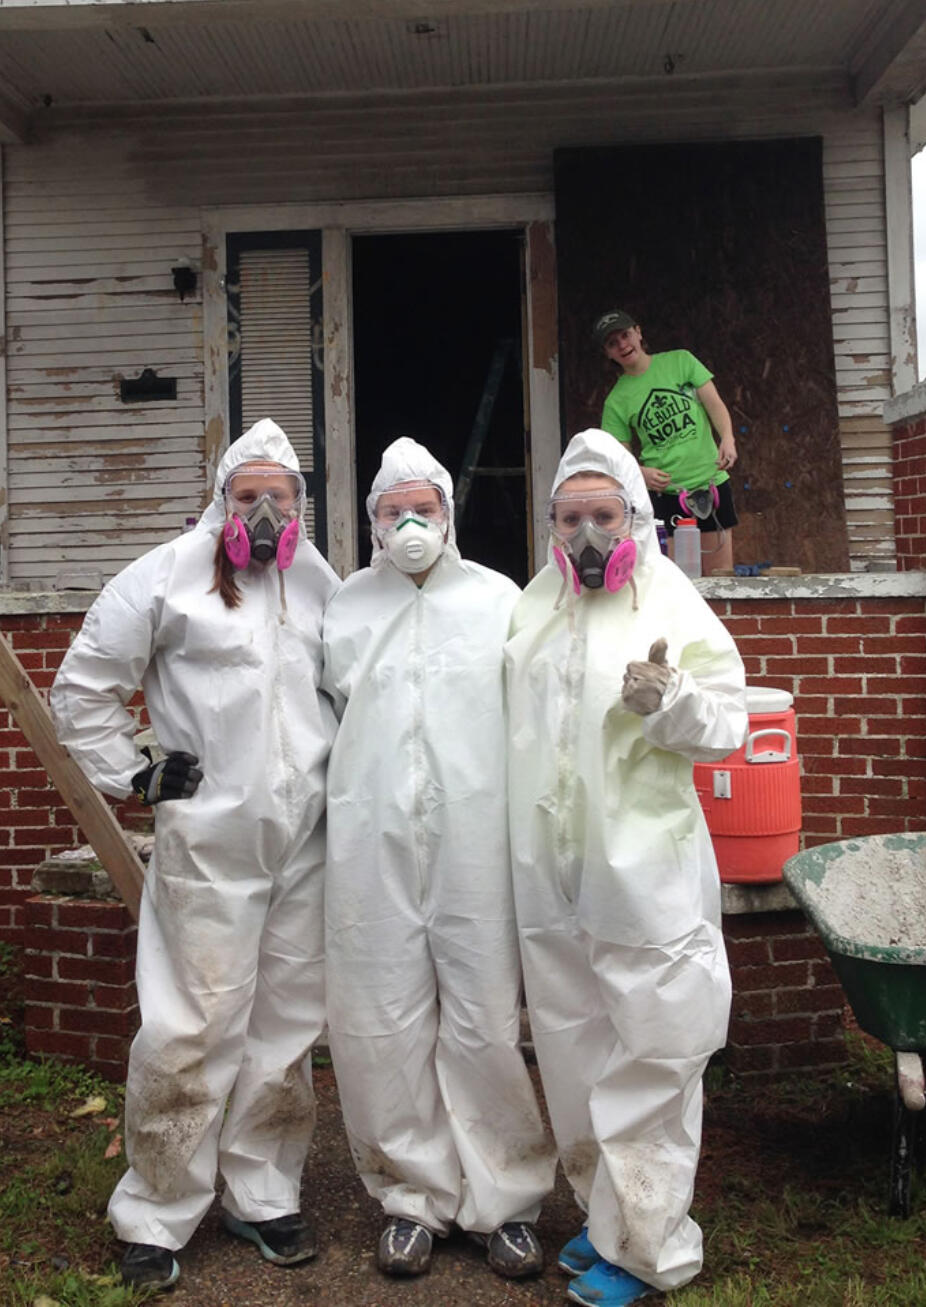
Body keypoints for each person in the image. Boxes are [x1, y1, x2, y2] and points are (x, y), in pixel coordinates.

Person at [49, 419, 339, 1295]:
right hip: (210, 839)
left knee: (286, 1026)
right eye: (247, 496)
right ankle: (157, 1208)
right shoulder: (166, 577)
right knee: (192, 1022)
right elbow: (84, 684)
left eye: (278, 497)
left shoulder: (315, 581)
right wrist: (135, 771)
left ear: (299, 506)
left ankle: (262, 1190)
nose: (262, 510)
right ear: (221, 502)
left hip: (306, 840)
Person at [505, 430, 746, 1306]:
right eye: (569, 517)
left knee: (654, 1051)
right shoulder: (535, 606)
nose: (586, 534)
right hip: (554, 874)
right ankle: (604, 1216)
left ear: (635, 518)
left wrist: (673, 701)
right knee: (573, 1050)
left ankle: (650, 1245)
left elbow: (731, 721)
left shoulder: (670, 601)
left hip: (645, 871)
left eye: (604, 515)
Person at [321, 438, 556, 1281]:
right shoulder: (343, 607)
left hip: (476, 842)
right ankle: (411, 1198)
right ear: (372, 522)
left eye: (423, 508)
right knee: (380, 1022)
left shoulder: (499, 601)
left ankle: (507, 1199)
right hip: (368, 840)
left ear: (448, 515)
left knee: (484, 1019)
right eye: (392, 512)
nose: (408, 523)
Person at [594, 310, 738, 576]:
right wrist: (642, 473)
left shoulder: (680, 361)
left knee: (721, 579)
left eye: (625, 335)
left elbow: (714, 404)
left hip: (711, 482)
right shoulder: (616, 401)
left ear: (638, 332)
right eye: (613, 343)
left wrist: (727, 438)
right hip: (667, 495)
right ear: (608, 353)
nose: (623, 345)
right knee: (675, 581)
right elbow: (618, 456)